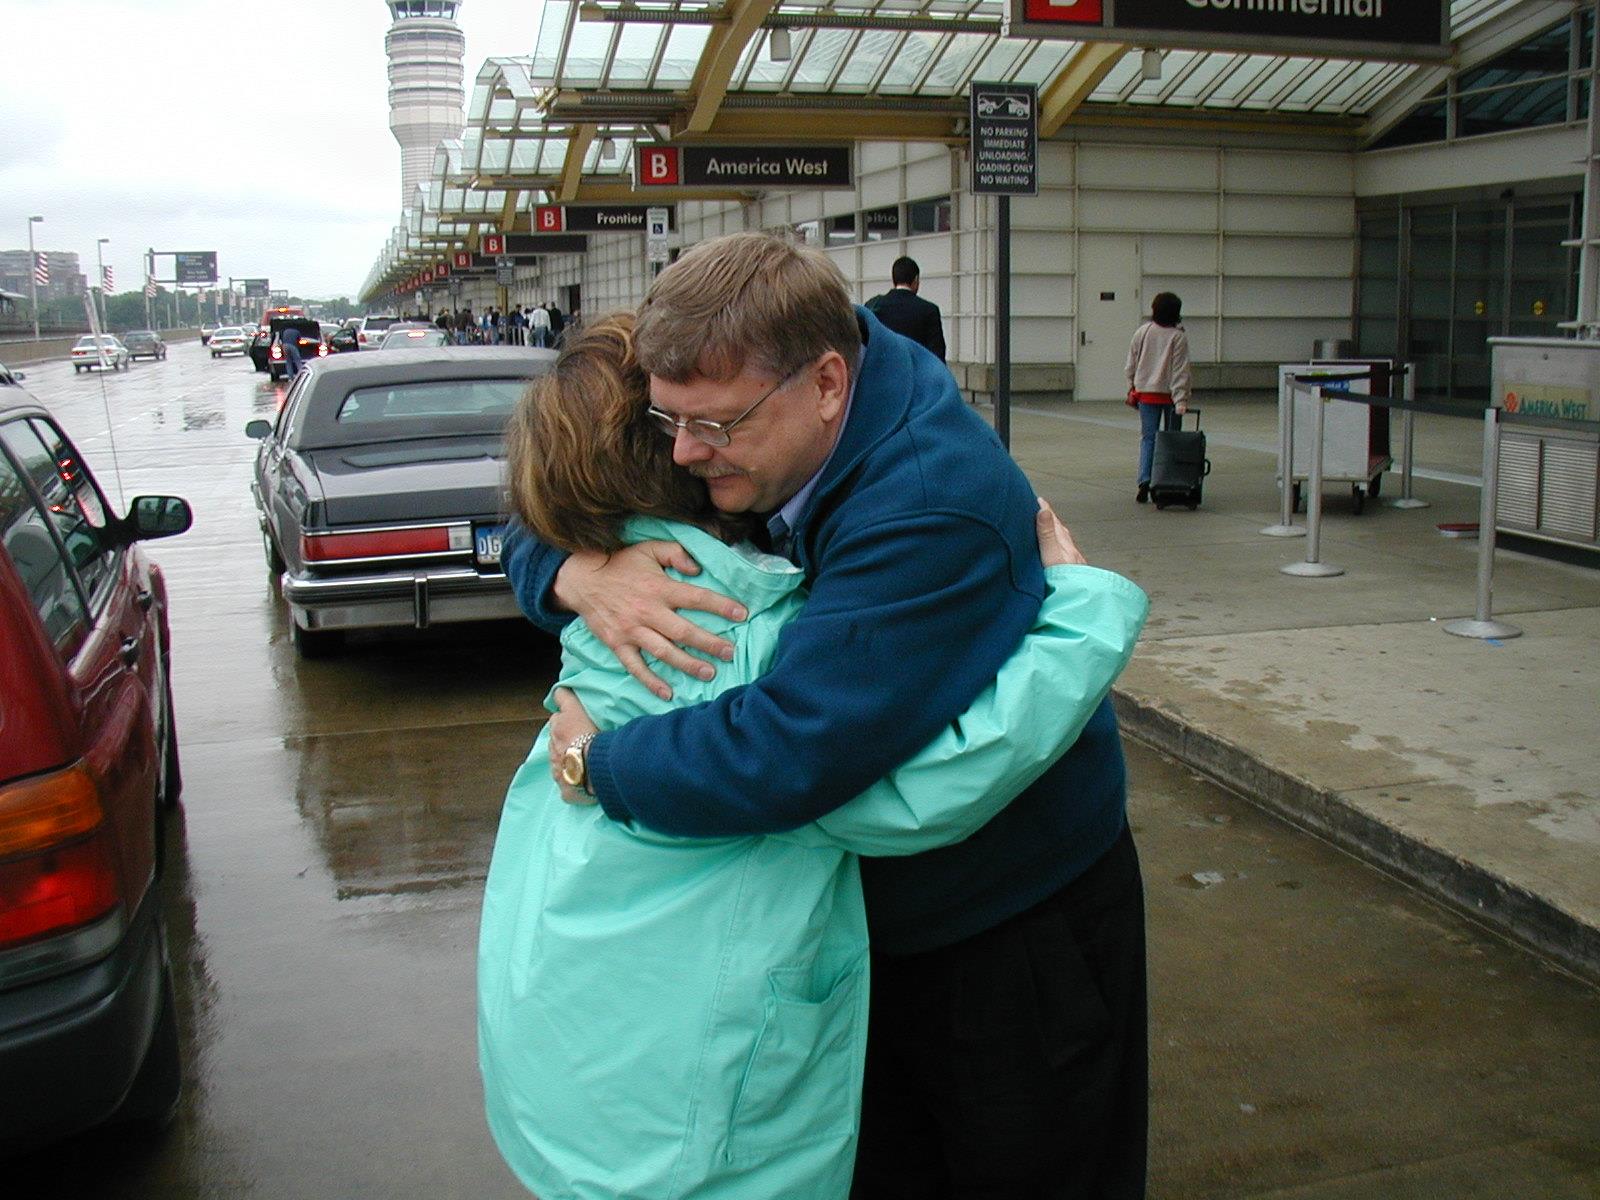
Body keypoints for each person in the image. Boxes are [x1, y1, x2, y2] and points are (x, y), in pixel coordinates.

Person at [503, 232, 1151, 1198]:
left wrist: (597, 767)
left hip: (1007, 928)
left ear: (829, 384)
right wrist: (570, 570)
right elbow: (556, 478)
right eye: (668, 422)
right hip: (870, 927)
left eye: (711, 428)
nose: (684, 454)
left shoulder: (925, 509)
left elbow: (791, 761)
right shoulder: (737, 390)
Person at [1125, 291, 1192, 505]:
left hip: (1146, 393)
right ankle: (1167, 481)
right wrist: (1181, 399)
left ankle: (1145, 481)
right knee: (1171, 439)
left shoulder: (1142, 332)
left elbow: (1131, 363)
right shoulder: (1178, 337)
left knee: (1148, 439)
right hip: (1170, 397)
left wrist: (1132, 387)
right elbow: (1180, 371)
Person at [864, 255, 946, 361]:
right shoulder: (929, 310)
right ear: (916, 279)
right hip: (915, 374)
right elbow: (937, 356)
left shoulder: (873, 306)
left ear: (894, 280)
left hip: (883, 373)